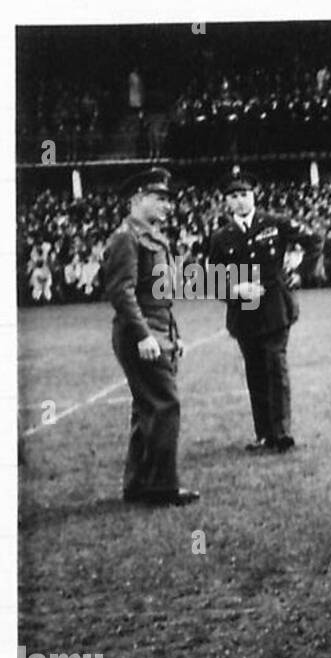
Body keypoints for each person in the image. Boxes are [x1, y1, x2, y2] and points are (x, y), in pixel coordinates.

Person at [101, 167, 199, 506]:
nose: (167, 205)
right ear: (137, 199)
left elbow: (162, 293)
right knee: (164, 405)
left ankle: (139, 483)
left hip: (158, 329)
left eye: (168, 199)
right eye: (159, 198)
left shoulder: (152, 236)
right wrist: (144, 335)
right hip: (140, 333)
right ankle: (160, 487)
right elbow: (122, 292)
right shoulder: (126, 237)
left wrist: (175, 333)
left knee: (147, 408)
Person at [208, 168, 322, 453]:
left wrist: (301, 273)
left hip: (274, 307)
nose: (240, 201)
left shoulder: (274, 223)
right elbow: (212, 280)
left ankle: (282, 432)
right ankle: (264, 435)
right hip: (244, 311)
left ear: (254, 195)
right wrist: (236, 290)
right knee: (255, 372)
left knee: (275, 365)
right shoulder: (221, 237)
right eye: (233, 196)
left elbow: (315, 240)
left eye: (244, 194)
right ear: (226, 202)